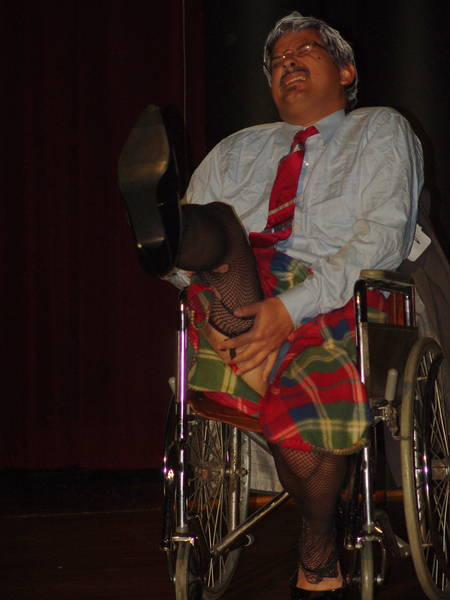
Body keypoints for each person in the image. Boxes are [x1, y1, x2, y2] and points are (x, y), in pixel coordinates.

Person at [169, 11, 423, 599]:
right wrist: (198, 293)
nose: (287, 64)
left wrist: (291, 307)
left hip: (333, 290)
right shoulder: (236, 149)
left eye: (304, 51)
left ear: (346, 70)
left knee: (307, 416)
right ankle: (165, 232)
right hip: (236, 287)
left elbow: (383, 238)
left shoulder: (380, 129)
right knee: (213, 226)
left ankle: (316, 538)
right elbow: (186, 267)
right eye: (277, 61)